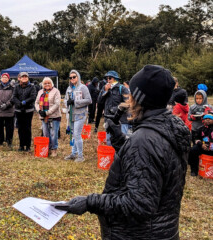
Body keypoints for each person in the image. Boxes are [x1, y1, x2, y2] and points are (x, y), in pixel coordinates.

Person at [52, 65, 191, 239]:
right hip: (164, 231)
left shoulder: (144, 140)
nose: (128, 97)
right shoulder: (171, 128)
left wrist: (90, 202)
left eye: (131, 93)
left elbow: (138, 205)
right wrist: (120, 140)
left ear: (139, 98)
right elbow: (150, 165)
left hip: (139, 234)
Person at [63, 70, 92, 162]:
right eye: (70, 77)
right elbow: (65, 99)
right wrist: (67, 102)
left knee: (77, 134)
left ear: (78, 77)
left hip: (80, 114)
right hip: (71, 114)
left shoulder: (83, 87)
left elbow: (89, 100)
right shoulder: (69, 88)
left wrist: (75, 102)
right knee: (73, 134)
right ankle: (73, 153)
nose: (72, 79)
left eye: (74, 77)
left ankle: (80, 156)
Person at [98, 70, 129, 144]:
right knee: (109, 142)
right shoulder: (105, 88)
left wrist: (115, 109)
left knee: (121, 143)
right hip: (109, 120)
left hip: (121, 121)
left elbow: (128, 103)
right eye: (107, 78)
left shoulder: (122, 88)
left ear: (115, 79)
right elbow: (99, 101)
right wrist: (105, 91)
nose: (108, 80)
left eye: (110, 78)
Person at [35, 77, 61, 157]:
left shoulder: (56, 91)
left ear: (51, 84)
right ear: (43, 84)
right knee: (46, 133)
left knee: (53, 134)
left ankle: (54, 149)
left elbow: (57, 104)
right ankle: (47, 148)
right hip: (43, 116)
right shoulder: (40, 92)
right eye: (45, 83)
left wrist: (47, 112)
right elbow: (36, 102)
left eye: (48, 83)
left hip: (54, 116)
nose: (47, 84)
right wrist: (39, 110)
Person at [12, 72, 37, 151]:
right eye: (23, 77)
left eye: (26, 77)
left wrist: (25, 102)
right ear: (20, 78)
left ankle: (28, 146)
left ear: (28, 78)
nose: (24, 78)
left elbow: (33, 97)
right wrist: (18, 103)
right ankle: (21, 145)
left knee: (27, 128)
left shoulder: (32, 87)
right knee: (20, 128)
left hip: (28, 110)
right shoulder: (16, 87)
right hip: (18, 110)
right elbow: (14, 96)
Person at [0, 73, 15, 148]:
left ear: (8, 78)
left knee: (9, 128)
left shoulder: (12, 87)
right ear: (0, 78)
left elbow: (13, 98)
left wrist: (7, 104)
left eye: (6, 77)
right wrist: (0, 104)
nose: (4, 78)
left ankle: (9, 141)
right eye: (3, 77)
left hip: (9, 111)